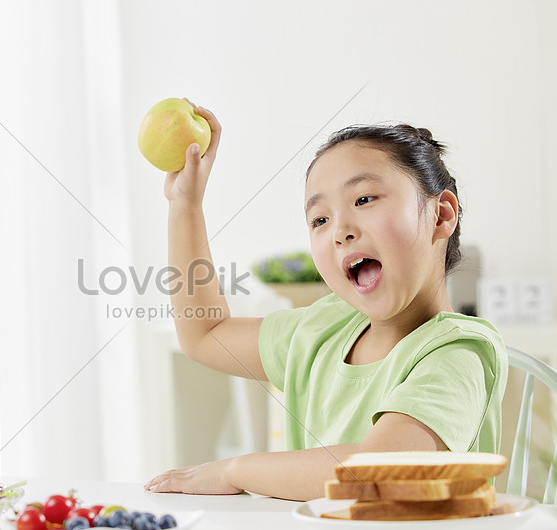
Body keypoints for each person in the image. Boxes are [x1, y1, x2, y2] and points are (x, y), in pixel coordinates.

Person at [143, 100, 508, 501]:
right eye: (320, 219)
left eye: (364, 200)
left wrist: (237, 470)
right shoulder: (325, 329)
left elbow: (379, 475)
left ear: (440, 215)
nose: (340, 231)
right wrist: (185, 206)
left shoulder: (458, 351)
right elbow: (205, 333)